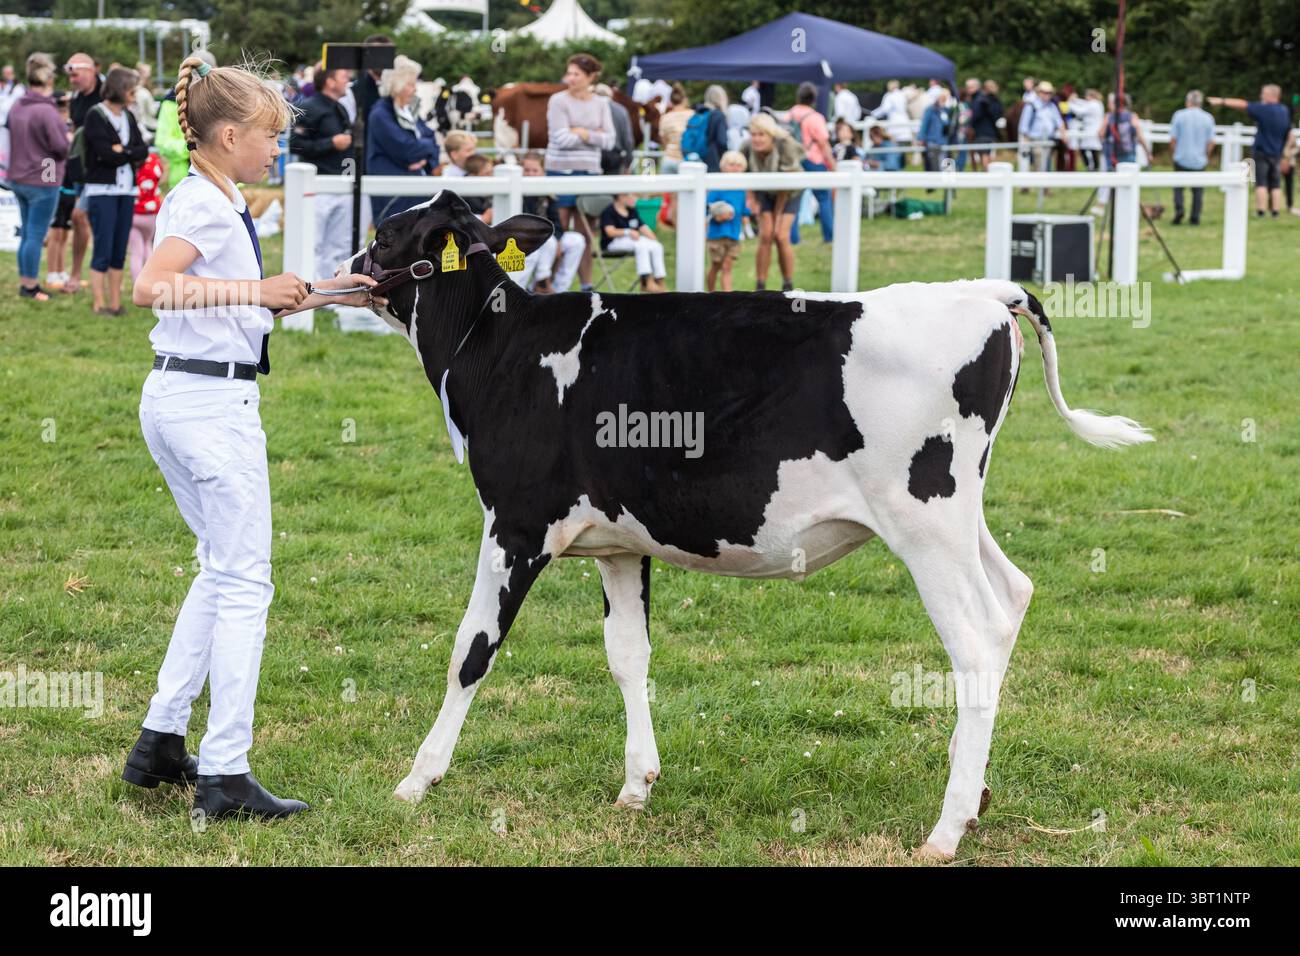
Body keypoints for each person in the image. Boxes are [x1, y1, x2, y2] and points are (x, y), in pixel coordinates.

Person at [125, 55, 383, 820]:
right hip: (209, 408)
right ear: (229, 133)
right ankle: (226, 773)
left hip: (182, 395)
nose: (277, 148)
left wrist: (315, 292)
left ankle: (160, 742)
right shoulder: (205, 204)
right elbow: (153, 286)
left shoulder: (211, 193)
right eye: (270, 135)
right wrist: (252, 290)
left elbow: (219, 303)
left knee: (219, 569)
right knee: (245, 583)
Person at [545, 53, 615, 291]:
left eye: (577, 74)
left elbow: (609, 140)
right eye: (570, 73)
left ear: (590, 76)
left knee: (586, 231)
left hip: (590, 172)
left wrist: (582, 132)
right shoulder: (558, 101)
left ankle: (586, 284)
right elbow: (560, 137)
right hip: (560, 171)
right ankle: (551, 284)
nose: (571, 78)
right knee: (560, 228)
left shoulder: (601, 103)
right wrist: (592, 134)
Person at [82, 65, 149, 316]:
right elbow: (105, 155)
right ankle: (99, 304)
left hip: (126, 190)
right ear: (120, 89)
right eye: (132, 89)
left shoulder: (128, 116)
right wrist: (125, 153)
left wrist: (125, 151)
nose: (135, 94)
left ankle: (115, 303)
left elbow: (141, 148)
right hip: (102, 190)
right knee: (103, 246)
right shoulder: (95, 115)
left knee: (120, 248)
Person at [6, 52, 68, 301]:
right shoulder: (46, 111)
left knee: (27, 234)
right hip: (43, 177)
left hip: (18, 175)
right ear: (49, 80)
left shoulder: (17, 105)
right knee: (35, 234)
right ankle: (30, 285)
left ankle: (26, 280)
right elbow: (60, 148)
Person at [289, 64, 355, 278]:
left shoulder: (341, 108)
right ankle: (311, 289)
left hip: (342, 183)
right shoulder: (308, 107)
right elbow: (296, 145)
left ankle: (333, 291)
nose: (348, 80)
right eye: (344, 75)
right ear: (330, 81)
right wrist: (331, 143)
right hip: (317, 186)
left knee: (338, 243)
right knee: (313, 241)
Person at [366, 55, 439, 225]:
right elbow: (406, 150)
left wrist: (423, 157)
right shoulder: (380, 114)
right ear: (397, 86)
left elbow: (433, 140)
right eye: (411, 84)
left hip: (414, 191)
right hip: (394, 197)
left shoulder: (409, 111)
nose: (415, 90)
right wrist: (422, 152)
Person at [1209, 85, 1294, 218]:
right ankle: (1275, 212)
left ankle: (1261, 211)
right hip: (1277, 153)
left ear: (1272, 95)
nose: (1261, 96)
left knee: (1261, 183)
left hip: (1262, 152)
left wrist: (1222, 101)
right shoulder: (1284, 111)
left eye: (1264, 94)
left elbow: (1243, 104)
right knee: (1276, 184)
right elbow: (1289, 134)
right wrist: (1285, 154)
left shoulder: (1264, 109)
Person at [741, 112, 804, 292]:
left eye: (761, 135)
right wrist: (751, 198)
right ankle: (760, 286)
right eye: (753, 134)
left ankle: (788, 283)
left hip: (789, 192)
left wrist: (777, 216)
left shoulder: (785, 145)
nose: (757, 139)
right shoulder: (746, 148)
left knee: (781, 235)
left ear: (771, 135)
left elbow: (786, 184)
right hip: (764, 190)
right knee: (766, 234)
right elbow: (743, 174)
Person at [61, 52, 103, 295]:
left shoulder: (106, 94)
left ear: (89, 71)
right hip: (80, 169)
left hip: (102, 169)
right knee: (79, 220)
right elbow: (75, 130)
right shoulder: (76, 99)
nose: (73, 80)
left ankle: (85, 274)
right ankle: (77, 273)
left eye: (76, 75)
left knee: (80, 216)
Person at [518, 151, 584, 294]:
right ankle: (541, 283)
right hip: (526, 238)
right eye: (526, 170)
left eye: (535, 170)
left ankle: (560, 289)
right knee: (548, 241)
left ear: (543, 172)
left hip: (547, 237)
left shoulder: (547, 193)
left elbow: (557, 223)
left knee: (577, 241)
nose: (530, 174)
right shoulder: (517, 193)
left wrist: (559, 238)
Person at [787, 81, 836, 244]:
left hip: (794, 160)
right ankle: (829, 236)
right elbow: (823, 144)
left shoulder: (791, 114)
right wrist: (832, 164)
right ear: (813, 99)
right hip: (814, 160)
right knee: (823, 198)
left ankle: (793, 237)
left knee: (794, 200)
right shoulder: (816, 118)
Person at [600, 192, 666, 292]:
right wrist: (627, 232)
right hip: (613, 243)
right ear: (621, 197)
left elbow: (644, 228)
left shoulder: (632, 210)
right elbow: (610, 232)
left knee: (657, 246)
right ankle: (646, 282)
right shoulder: (609, 211)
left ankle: (660, 282)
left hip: (632, 241)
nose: (635, 199)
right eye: (632, 195)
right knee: (641, 245)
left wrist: (654, 242)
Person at [1169, 90, 1216, 225]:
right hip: (1199, 160)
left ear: (1188, 102)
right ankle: (1195, 217)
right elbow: (1211, 142)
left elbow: (1173, 139)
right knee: (1198, 191)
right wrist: (1206, 155)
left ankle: (1179, 210)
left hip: (1181, 157)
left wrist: (1174, 153)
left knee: (1178, 188)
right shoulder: (1208, 118)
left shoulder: (1179, 115)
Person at [706, 151, 747, 292]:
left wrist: (750, 213)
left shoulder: (741, 190)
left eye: (739, 165)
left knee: (727, 266)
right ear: (723, 167)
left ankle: (727, 298)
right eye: (731, 165)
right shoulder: (718, 186)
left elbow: (743, 209)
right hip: (717, 234)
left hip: (733, 233)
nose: (735, 168)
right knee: (716, 265)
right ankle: (710, 293)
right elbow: (708, 206)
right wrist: (717, 215)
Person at [128, 146, 164, 280]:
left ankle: (138, 284)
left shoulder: (130, 164)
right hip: (151, 214)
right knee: (147, 245)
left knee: (136, 252)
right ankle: (150, 281)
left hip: (134, 213)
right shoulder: (154, 162)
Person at [680, 85, 729, 172]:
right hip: (713, 161)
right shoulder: (718, 115)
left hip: (695, 160)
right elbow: (722, 142)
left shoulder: (698, 113)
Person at [1018, 81, 1063, 173]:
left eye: (1049, 93)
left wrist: (1064, 134)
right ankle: (1041, 185)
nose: (1047, 95)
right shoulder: (1032, 105)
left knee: (1046, 164)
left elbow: (1059, 122)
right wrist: (1026, 142)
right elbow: (1024, 126)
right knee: (1040, 165)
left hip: (1049, 140)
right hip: (1035, 140)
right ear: (1039, 93)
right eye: (1045, 92)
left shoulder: (1052, 106)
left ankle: (1044, 185)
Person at [918, 86, 955, 179]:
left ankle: (947, 181)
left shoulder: (947, 110)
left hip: (944, 140)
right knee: (934, 164)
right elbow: (924, 124)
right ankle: (935, 182)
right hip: (933, 140)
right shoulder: (930, 109)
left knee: (946, 161)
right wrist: (921, 138)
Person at [969, 79, 1003, 171]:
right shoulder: (996, 100)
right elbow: (999, 114)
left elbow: (976, 115)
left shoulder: (981, 100)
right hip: (992, 132)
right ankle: (989, 174)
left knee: (984, 154)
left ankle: (987, 176)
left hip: (981, 132)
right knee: (988, 154)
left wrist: (969, 123)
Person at [1068, 88, 1104, 171]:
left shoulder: (1093, 104)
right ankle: (1093, 167)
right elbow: (1083, 103)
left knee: (1091, 149)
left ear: (1090, 96)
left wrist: (1070, 103)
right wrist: (1075, 99)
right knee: (1088, 149)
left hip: (1092, 130)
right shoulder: (1096, 103)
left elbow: (1080, 110)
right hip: (1091, 130)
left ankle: (1093, 167)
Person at [130, 62, 158, 144]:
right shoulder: (144, 92)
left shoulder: (134, 91)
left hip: (140, 125)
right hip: (147, 126)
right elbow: (153, 112)